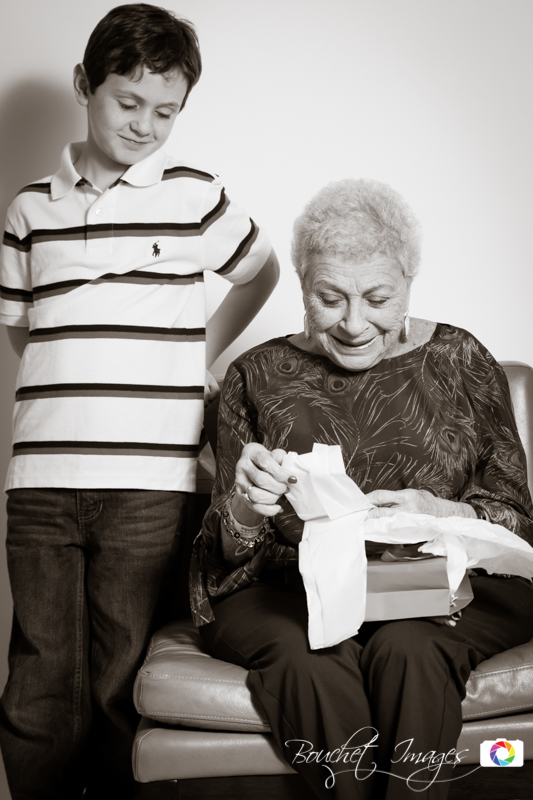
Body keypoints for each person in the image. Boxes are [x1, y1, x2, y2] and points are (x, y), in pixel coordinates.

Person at [0, 5, 279, 798]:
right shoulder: (28, 210)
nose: (144, 125)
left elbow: (260, 272)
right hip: (42, 481)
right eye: (127, 103)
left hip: (150, 483)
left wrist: (199, 351)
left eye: (165, 111)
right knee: (40, 675)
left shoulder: (193, 196)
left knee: (125, 675)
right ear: (83, 85)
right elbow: (24, 330)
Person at [190, 178, 533, 800]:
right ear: (302, 286)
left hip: (445, 586)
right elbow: (227, 555)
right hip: (291, 589)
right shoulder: (254, 374)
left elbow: (515, 517)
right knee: (311, 657)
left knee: (410, 649)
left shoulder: (461, 359)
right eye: (330, 299)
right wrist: (246, 509)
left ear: (408, 281)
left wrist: (438, 510)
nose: (353, 324)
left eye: (378, 298)